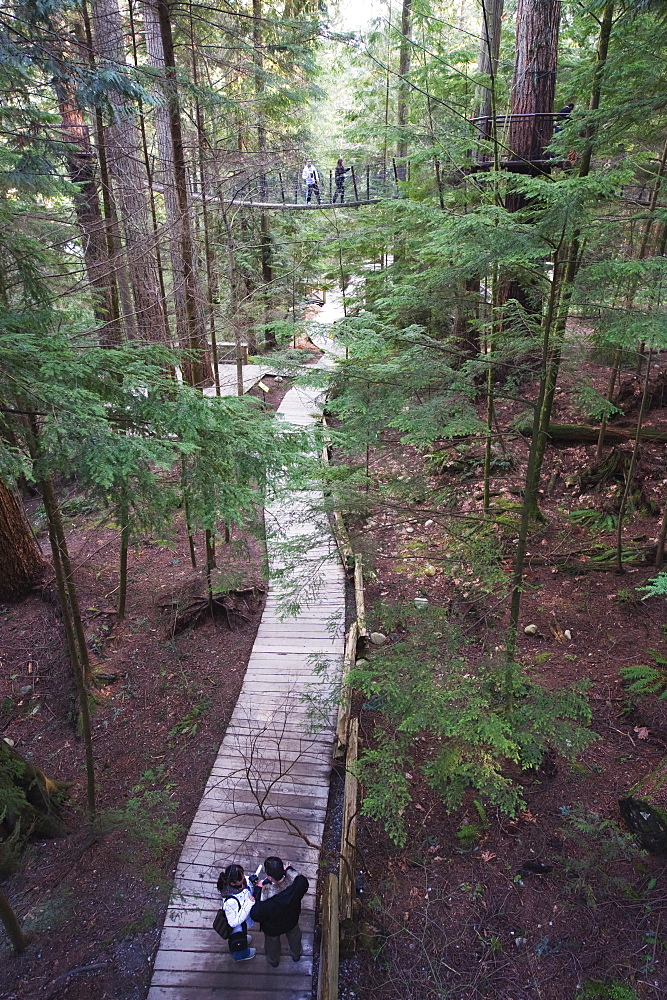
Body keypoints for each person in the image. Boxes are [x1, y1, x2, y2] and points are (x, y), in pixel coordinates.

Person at [250, 856, 308, 967]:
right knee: (295, 937)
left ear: (270, 878)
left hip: (272, 928)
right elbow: (303, 881)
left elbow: (255, 914)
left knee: (272, 944)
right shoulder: (298, 884)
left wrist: (258, 889)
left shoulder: (266, 900)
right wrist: (290, 871)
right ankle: (296, 955)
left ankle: (273, 961)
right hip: (292, 920)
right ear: (283, 869)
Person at [216, 863, 257, 962]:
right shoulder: (230, 901)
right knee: (238, 938)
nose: (244, 878)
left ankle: (243, 939)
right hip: (238, 925)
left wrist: (252, 882)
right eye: (241, 878)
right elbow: (233, 922)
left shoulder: (239, 882)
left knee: (242, 933)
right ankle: (241, 955)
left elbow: (245, 882)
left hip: (244, 921)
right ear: (233, 883)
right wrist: (249, 903)